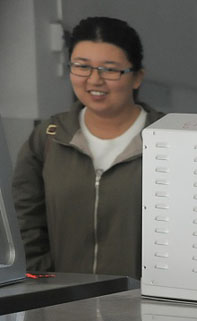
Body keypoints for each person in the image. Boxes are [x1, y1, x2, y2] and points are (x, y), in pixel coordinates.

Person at [12, 16, 164, 278]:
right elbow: (25, 222)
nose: (94, 80)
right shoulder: (50, 137)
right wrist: (46, 286)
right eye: (82, 66)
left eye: (110, 69)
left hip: (144, 300)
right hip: (64, 299)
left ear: (137, 77)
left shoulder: (170, 140)